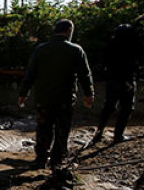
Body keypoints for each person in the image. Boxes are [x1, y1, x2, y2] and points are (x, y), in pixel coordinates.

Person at [18, 19, 95, 169]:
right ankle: (56, 161)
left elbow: (30, 74)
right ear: (68, 31)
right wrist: (89, 94)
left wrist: (23, 93)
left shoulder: (40, 50)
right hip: (64, 99)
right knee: (62, 129)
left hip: (43, 98)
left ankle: (40, 159)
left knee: (43, 128)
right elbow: (85, 75)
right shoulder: (75, 50)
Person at [90, 23, 143, 145]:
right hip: (126, 79)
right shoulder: (131, 46)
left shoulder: (111, 45)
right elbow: (135, 63)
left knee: (108, 105)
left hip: (112, 79)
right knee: (126, 107)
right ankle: (118, 135)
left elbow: (103, 63)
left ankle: (99, 131)